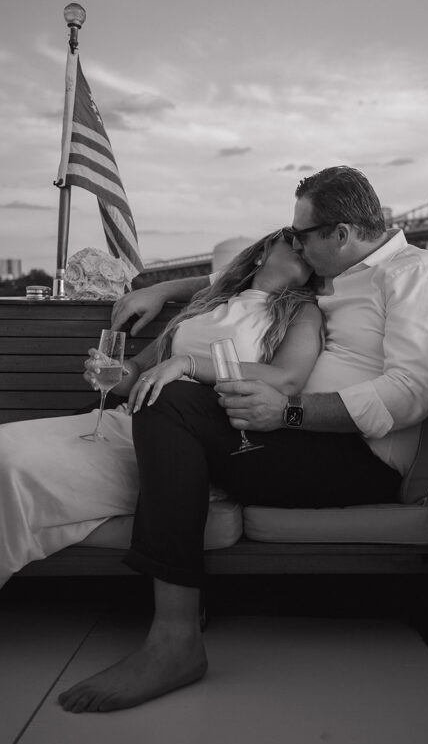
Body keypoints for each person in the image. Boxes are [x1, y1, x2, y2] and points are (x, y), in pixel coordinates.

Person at [58, 166, 428, 713]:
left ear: (340, 234)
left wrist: (288, 413)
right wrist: (163, 288)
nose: (293, 242)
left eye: (301, 235)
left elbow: (408, 395)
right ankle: (177, 618)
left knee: (174, 402)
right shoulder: (336, 273)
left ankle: (175, 641)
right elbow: (246, 278)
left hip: (352, 457)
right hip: (283, 431)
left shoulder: (416, 274)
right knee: (169, 398)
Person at [0, 231, 322, 589]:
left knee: (15, 467)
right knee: (3, 443)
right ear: (263, 253)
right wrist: (112, 372)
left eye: (305, 243)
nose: (301, 246)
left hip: (183, 444)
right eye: (290, 239)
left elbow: (287, 379)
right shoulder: (207, 304)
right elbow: (138, 370)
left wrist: (187, 363)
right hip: (127, 416)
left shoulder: (303, 312)